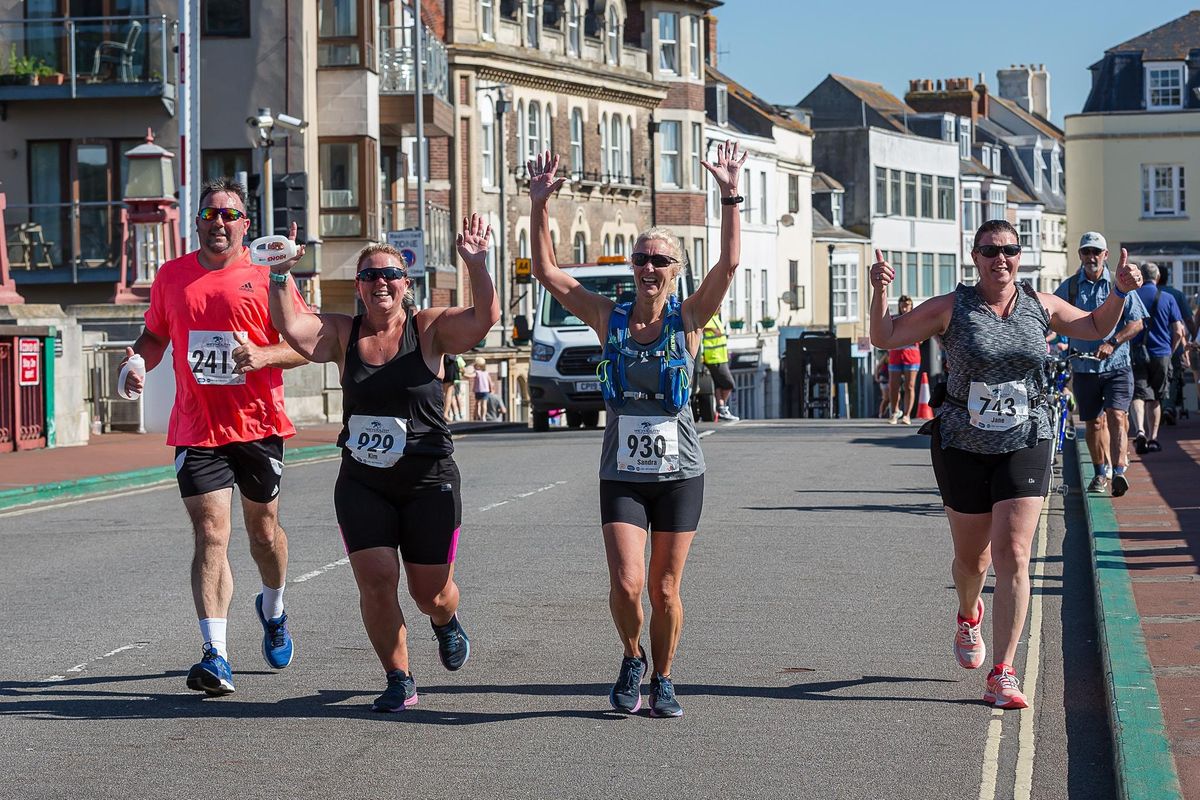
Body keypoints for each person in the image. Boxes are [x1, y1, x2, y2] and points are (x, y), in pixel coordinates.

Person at [870, 219, 1142, 710]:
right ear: (973, 257)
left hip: (1027, 436)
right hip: (962, 442)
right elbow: (885, 337)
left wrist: (1119, 292)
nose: (1001, 259)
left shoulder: (1041, 305)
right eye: (990, 251)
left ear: (1021, 256)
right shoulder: (952, 307)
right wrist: (879, 292)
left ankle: (1003, 672)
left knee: (1014, 553)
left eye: (1010, 250)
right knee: (973, 559)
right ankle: (968, 612)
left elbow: (1097, 326)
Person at [528, 143, 746, 718]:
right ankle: (631, 657)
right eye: (641, 260)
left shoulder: (691, 318)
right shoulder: (609, 317)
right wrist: (538, 205)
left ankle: (665, 677)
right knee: (628, 585)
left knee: (665, 589)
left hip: (680, 474)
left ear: (675, 272)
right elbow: (549, 273)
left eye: (660, 261)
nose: (649, 268)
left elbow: (728, 267)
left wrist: (729, 194)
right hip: (621, 473)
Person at [266, 215, 498, 712]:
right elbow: (292, 326)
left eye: (390, 274)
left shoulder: (428, 329)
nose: (381, 283)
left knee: (429, 591)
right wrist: (280, 273)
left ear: (405, 283)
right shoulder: (342, 334)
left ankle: (445, 621)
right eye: (370, 275)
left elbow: (483, 319)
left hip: (427, 479)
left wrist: (477, 265)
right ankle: (399, 677)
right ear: (359, 287)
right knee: (375, 580)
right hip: (363, 481)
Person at [119, 178, 309, 696]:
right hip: (197, 427)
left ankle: (273, 607)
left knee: (263, 534)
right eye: (209, 215)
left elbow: (308, 342)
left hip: (258, 424)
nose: (218, 223)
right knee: (211, 534)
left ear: (245, 224)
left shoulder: (268, 276)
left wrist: (266, 355)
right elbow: (156, 335)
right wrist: (138, 362)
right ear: (197, 221)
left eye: (229, 215)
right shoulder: (172, 277)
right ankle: (215, 654)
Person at [1053, 232, 1146, 497]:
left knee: (1117, 416)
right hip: (1084, 368)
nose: (1091, 257)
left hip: (1117, 366)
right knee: (1093, 423)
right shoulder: (1070, 287)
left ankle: (1118, 472)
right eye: (1086, 252)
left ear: (1106, 255)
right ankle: (1100, 471)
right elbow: (1050, 315)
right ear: (1080, 255)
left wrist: (1113, 342)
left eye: (1097, 252)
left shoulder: (1119, 285)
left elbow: (1137, 322)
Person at [1129, 262, 1187, 455]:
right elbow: (1178, 331)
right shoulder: (1168, 298)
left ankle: (1139, 431)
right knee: (1156, 397)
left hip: (1137, 351)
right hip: (1161, 353)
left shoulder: (1133, 295)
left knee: (1138, 395)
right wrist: (1171, 350)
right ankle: (1153, 438)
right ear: (1158, 278)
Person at [1155, 266, 1193, 423]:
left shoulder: (1141, 294)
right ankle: (1168, 406)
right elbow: (1188, 320)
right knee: (1173, 376)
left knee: (1153, 377)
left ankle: (1157, 407)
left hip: (1150, 344)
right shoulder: (1176, 295)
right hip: (1173, 343)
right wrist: (1194, 337)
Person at [886, 295, 921, 424]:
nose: (905, 309)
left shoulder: (916, 319)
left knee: (909, 386)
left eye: (907, 306)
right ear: (899, 307)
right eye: (903, 306)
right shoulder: (894, 319)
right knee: (893, 385)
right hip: (895, 354)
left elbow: (922, 337)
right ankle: (895, 411)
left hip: (911, 356)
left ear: (911, 306)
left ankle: (907, 414)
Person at [702, 313, 739, 421]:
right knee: (729, 384)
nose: (720, 307)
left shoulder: (716, 319)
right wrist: (711, 329)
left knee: (719, 385)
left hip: (721, 357)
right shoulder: (708, 318)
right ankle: (722, 409)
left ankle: (721, 409)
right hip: (714, 358)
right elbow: (700, 327)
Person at [442, 353, 462, 422]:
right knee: (448, 392)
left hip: (442, 363)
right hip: (450, 364)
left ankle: (443, 413)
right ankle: (445, 413)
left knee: (444, 391)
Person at [472, 357, 493, 421]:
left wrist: (464, 374)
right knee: (483, 404)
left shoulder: (477, 372)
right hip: (485, 390)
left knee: (478, 404)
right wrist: (491, 388)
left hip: (478, 390)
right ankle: (482, 416)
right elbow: (490, 381)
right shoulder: (486, 373)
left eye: (475, 365)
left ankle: (478, 415)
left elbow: (471, 376)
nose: (474, 366)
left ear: (479, 366)